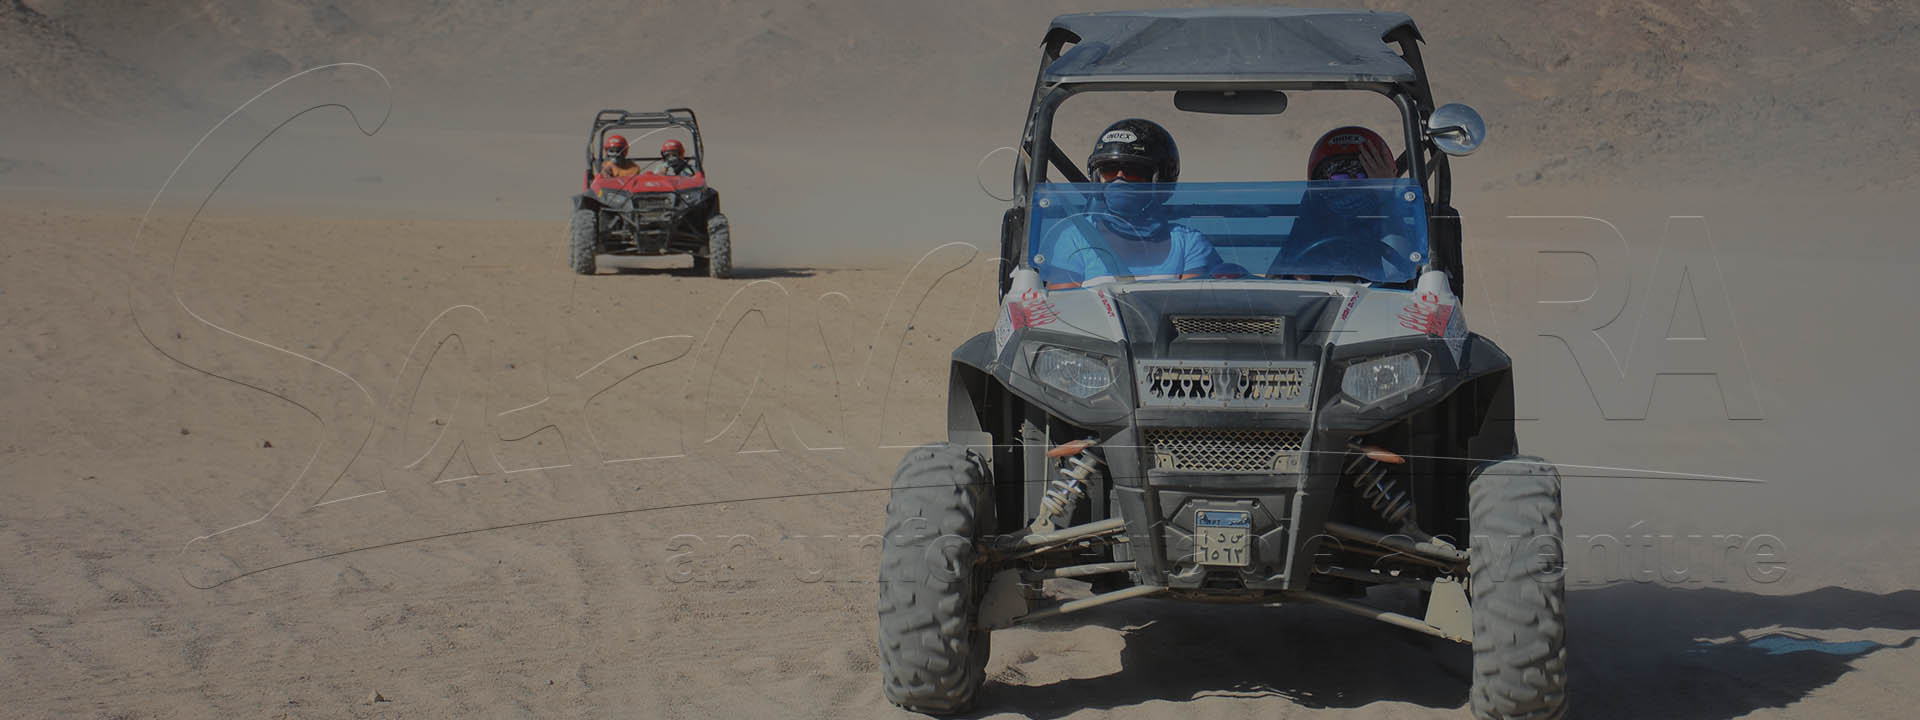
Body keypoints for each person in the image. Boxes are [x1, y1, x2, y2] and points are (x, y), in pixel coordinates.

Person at [1039, 119, 1221, 289]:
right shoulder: (1075, 238)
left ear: (1161, 181)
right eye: (1109, 171)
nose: (1119, 180)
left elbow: (1194, 306)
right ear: (1097, 177)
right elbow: (1062, 309)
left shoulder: (1188, 244)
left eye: (1132, 172)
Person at [1274, 126, 1420, 280]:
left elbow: (1398, 273)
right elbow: (1277, 279)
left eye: (1362, 177)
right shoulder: (1312, 213)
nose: (1352, 187)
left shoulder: (1399, 216)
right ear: (1322, 183)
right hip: (1322, 300)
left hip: (1382, 298)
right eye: (1340, 178)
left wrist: (1386, 196)